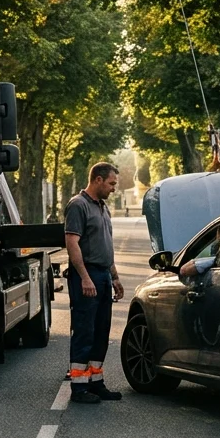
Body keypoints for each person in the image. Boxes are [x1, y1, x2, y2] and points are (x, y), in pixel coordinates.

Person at [63, 162, 125, 403]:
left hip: (103, 275)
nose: (113, 188)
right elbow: (72, 243)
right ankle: (79, 387)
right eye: (111, 183)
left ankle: (96, 382)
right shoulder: (78, 206)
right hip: (86, 276)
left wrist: (115, 277)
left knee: (101, 332)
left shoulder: (103, 207)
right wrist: (85, 277)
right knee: (85, 331)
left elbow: (105, 246)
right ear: (98, 180)